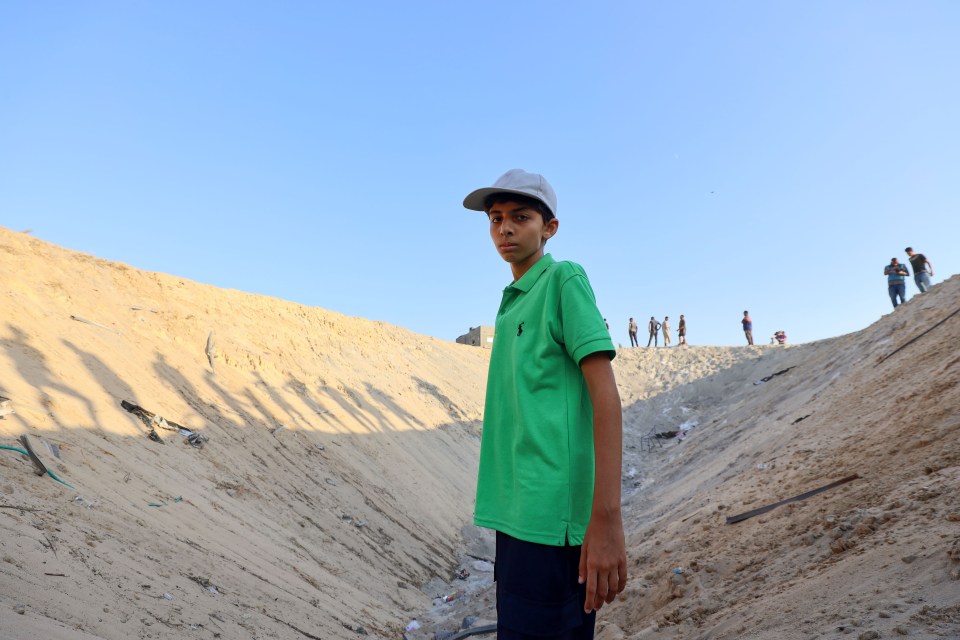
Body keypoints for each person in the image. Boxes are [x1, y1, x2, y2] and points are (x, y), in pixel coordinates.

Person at [463, 169, 627, 638]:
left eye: (520, 217)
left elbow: (605, 396)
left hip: (554, 528)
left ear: (549, 227)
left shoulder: (562, 279)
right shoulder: (513, 300)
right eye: (495, 219)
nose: (505, 228)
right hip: (513, 522)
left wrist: (607, 520)